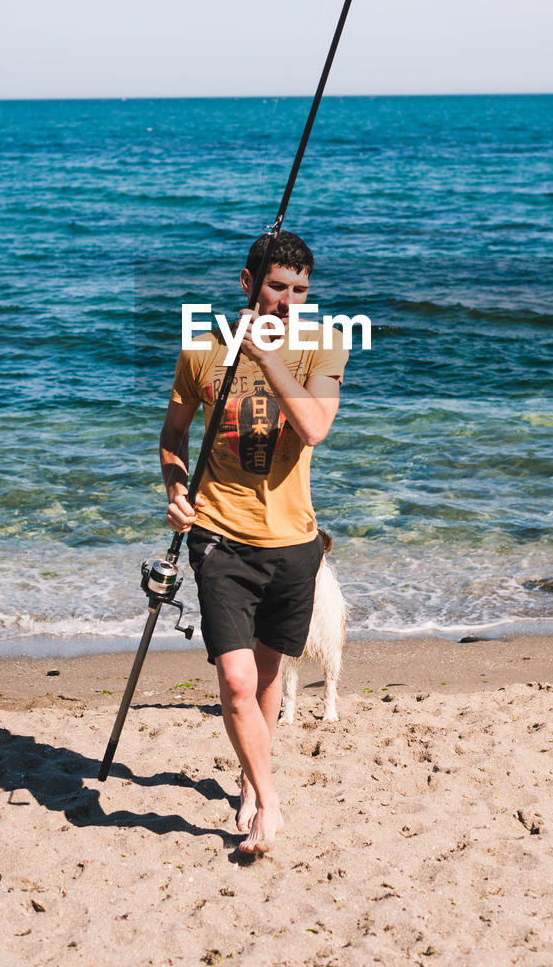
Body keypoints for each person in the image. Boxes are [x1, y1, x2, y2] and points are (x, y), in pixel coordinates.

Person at [160, 231, 348, 854]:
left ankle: (249, 778)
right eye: (276, 287)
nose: (290, 301)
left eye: (300, 290)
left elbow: (315, 427)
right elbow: (173, 434)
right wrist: (176, 487)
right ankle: (269, 803)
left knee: (269, 678)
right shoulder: (201, 351)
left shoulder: (323, 344)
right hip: (219, 539)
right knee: (237, 682)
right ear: (247, 284)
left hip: (294, 541)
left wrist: (265, 355)